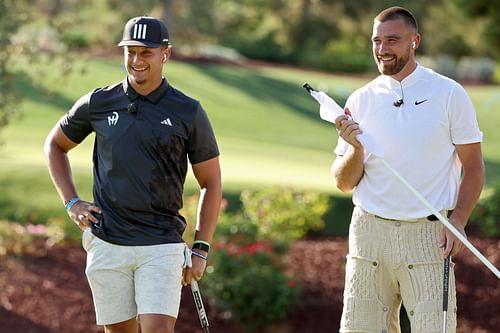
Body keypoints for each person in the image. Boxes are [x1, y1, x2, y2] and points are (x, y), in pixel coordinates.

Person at [44, 16, 221, 333]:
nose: (137, 60)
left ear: (165, 53)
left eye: (146, 52)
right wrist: (72, 202)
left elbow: (211, 182)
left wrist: (201, 248)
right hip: (108, 242)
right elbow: (55, 145)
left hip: (161, 245)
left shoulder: (188, 111)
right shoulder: (99, 102)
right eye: (131, 52)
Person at [331, 6, 484, 333]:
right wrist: (356, 149)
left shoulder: (448, 94)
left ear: (414, 41)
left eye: (392, 40)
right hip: (369, 234)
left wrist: (458, 220)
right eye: (376, 41)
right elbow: (344, 183)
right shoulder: (361, 99)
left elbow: (473, 167)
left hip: (429, 234)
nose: (382, 49)